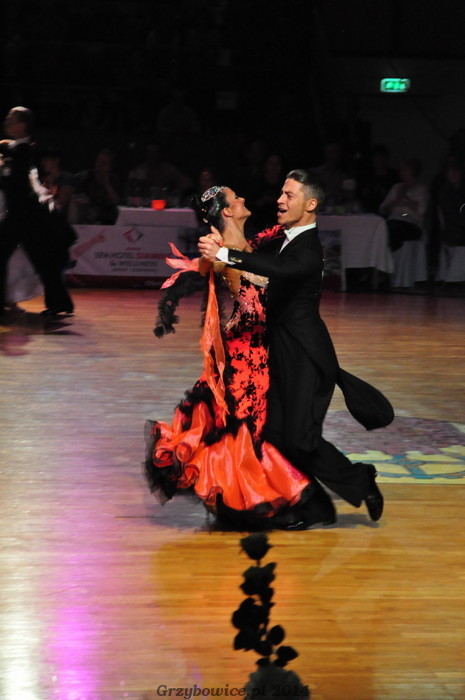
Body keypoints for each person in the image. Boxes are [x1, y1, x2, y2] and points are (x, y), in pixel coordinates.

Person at [199, 169, 393, 522]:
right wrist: (221, 240)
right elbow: (258, 259)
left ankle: (359, 480)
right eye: (281, 193)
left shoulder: (308, 249)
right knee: (275, 435)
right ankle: (310, 505)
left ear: (310, 204)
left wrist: (226, 254)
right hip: (279, 350)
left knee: (300, 438)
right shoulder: (282, 239)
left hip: (306, 355)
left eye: (289, 195)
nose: (280, 200)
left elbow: (279, 269)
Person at [144, 184, 337, 530]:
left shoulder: (243, 245)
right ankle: (269, 498)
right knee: (249, 433)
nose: (245, 199)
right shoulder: (226, 254)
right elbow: (259, 299)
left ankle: (298, 499)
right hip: (247, 359)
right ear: (228, 211)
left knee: (260, 431)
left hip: (256, 351)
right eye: (236, 198)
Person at [0, 106, 74, 317]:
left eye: (12, 118)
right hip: (21, 215)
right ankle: (60, 303)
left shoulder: (24, 150)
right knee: (41, 260)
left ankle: (60, 303)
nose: (7, 121)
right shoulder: (16, 150)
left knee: (42, 260)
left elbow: (17, 182)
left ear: (22, 125)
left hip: (25, 215)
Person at [379, 158, 428, 251]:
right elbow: (383, 209)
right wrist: (396, 201)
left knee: (395, 230)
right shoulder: (396, 187)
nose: (402, 172)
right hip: (393, 220)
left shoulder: (420, 189)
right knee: (383, 227)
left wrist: (406, 199)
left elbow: (422, 210)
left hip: (411, 223)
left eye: (405, 169)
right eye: (401, 170)